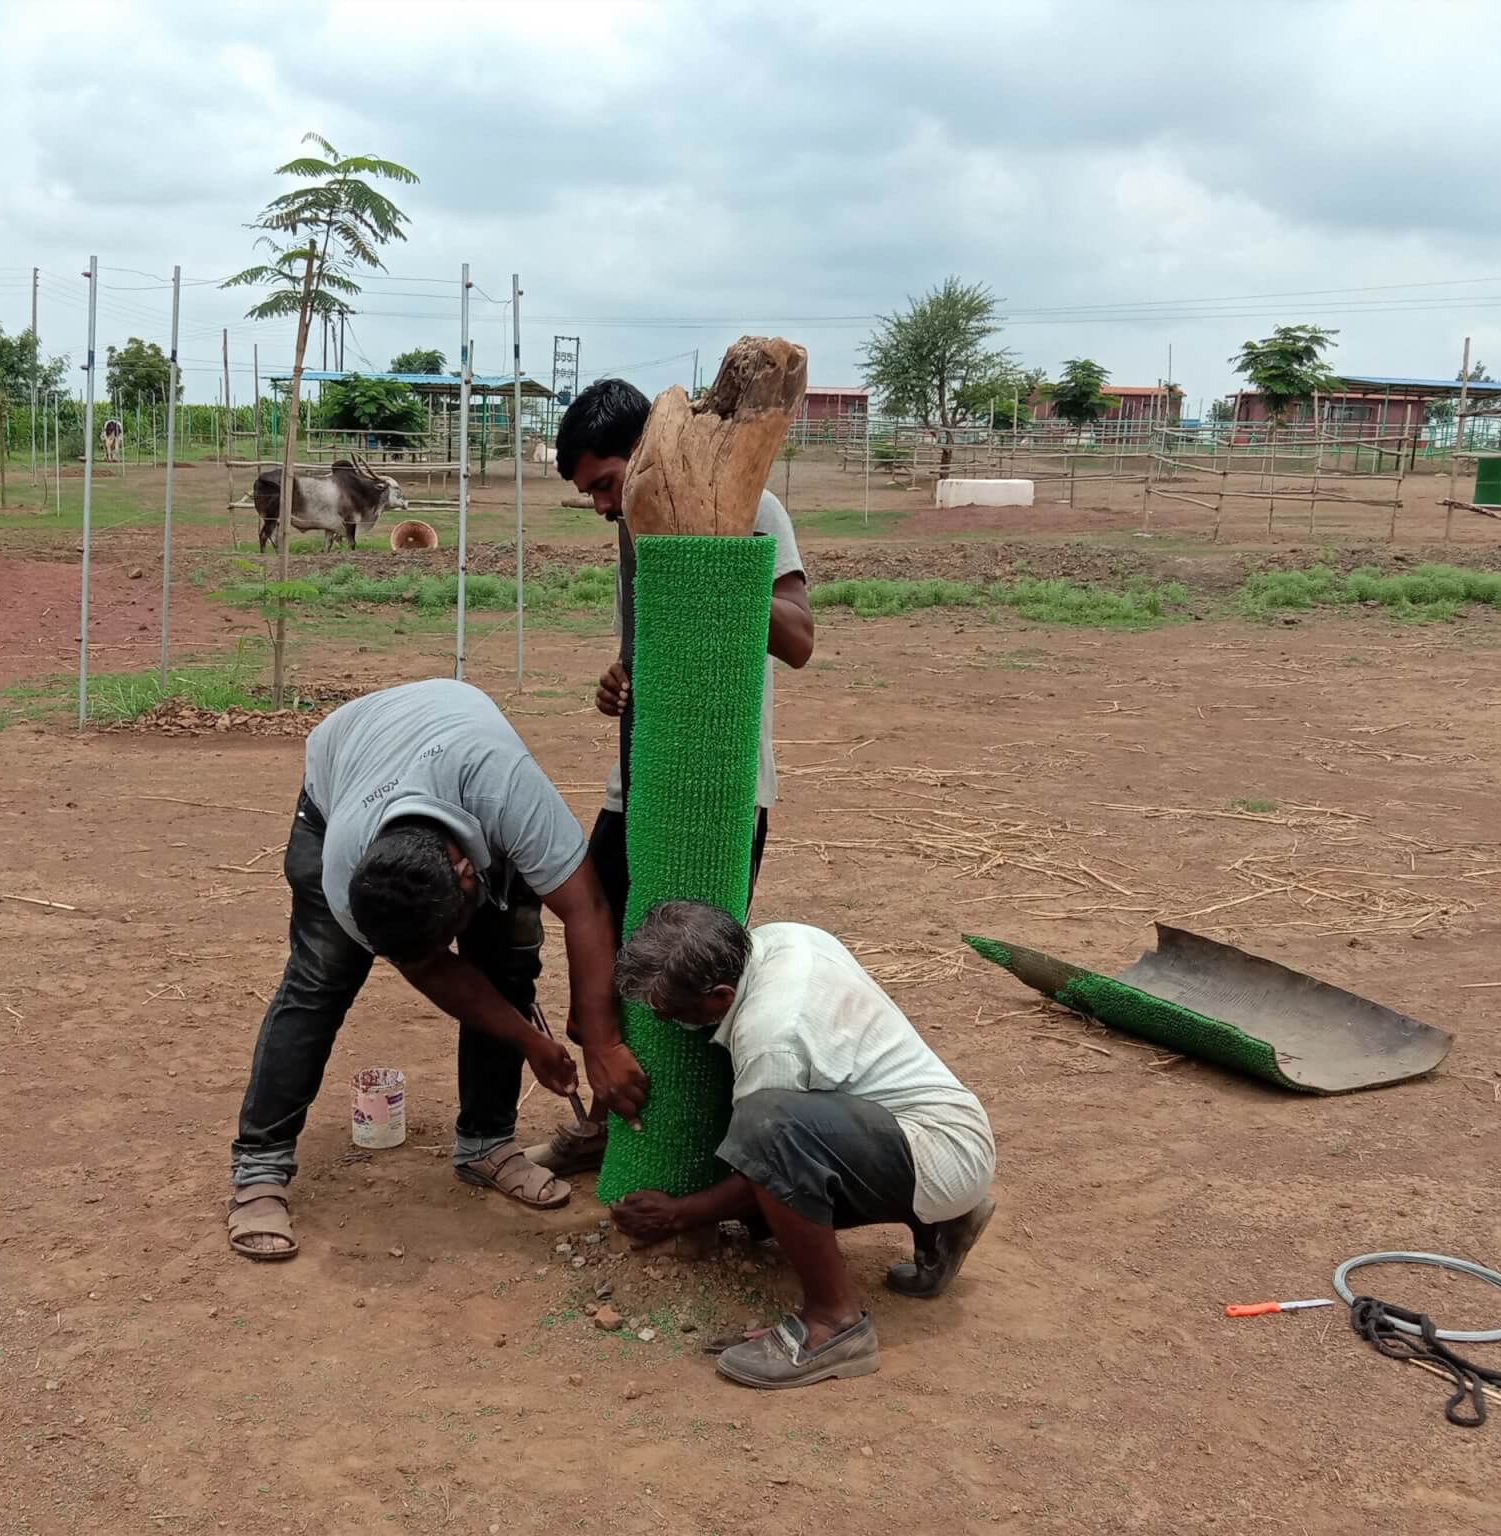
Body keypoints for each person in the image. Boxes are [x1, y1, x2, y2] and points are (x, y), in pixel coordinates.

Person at [226, 678, 648, 1261]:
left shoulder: (504, 792)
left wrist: (602, 1042)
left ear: (468, 872)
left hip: (456, 749)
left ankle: (487, 1143)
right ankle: (261, 1168)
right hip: (345, 767)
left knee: (505, 963)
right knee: (319, 984)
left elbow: (587, 907)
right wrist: (529, 1040)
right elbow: (431, 971)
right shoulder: (346, 868)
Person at [528, 378, 816, 1176]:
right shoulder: (632, 526)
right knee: (604, 952)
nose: (601, 508)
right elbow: (657, 651)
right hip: (639, 784)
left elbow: (797, 640)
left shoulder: (749, 507)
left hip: (723, 792)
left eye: (605, 485)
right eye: (588, 494)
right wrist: (619, 680)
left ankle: (700, 1145)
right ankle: (607, 1123)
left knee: (692, 972)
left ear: (649, 457)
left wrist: (714, 565)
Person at [606, 902, 996, 1390]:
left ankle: (833, 1324)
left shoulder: (771, 1038)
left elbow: (768, 1160)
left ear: (721, 995)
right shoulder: (781, 938)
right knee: (774, 1156)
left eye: (673, 1015)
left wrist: (682, 1214)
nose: (666, 1022)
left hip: (940, 1151)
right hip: (940, 1129)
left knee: (768, 1127)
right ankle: (942, 1218)